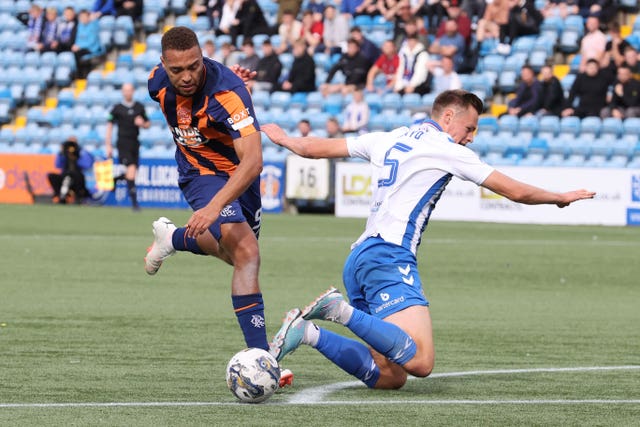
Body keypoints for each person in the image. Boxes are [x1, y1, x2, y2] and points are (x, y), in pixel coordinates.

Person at [262, 89, 595, 389]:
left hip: (359, 259)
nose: (471, 138)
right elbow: (515, 191)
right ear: (448, 117)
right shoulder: (445, 149)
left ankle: (307, 333)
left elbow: (316, 148)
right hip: (389, 256)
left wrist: (285, 139)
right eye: (469, 128)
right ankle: (337, 310)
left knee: (391, 375)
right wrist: (558, 197)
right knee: (421, 360)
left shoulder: (389, 137)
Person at [144, 28, 292, 387]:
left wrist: (213, 209)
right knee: (247, 252)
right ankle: (262, 360)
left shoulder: (229, 93)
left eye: (194, 66)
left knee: (234, 255)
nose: (187, 76)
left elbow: (254, 162)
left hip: (240, 175)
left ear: (202, 57)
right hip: (199, 172)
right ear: (163, 65)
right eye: (177, 70)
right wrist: (211, 203)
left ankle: (174, 239)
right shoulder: (155, 83)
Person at [104, 82, 150, 211]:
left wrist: (142, 124)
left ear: (133, 91)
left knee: (133, 172)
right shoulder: (117, 108)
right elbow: (109, 126)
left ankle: (117, 178)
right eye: (125, 90)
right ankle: (135, 204)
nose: (127, 93)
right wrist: (108, 145)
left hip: (135, 143)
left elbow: (148, 123)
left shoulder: (139, 107)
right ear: (122, 92)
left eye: (129, 90)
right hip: (122, 143)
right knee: (131, 169)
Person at [47, 137, 93, 204]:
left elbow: (87, 164)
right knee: (51, 176)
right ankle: (59, 194)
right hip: (65, 176)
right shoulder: (63, 153)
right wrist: (62, 153)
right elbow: (58, 165)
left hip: (77, 178)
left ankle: (78, 197)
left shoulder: (81, 152)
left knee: (75, 175)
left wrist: (77, 156)